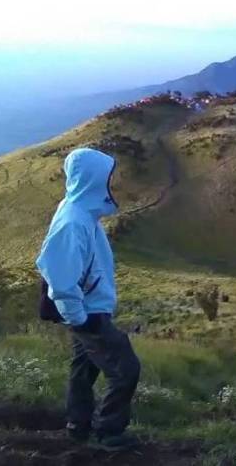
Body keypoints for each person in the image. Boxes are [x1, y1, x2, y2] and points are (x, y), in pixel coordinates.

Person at [36, 148, 141, 451]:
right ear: (92, 180)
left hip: (88, 309)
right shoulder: (74, 222)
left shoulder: (80, 211)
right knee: (125, 369)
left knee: (83, 369)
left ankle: (78, 425)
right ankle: (109, 433)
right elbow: (61, 278)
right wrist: (81, 318)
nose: (112, 182)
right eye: (108, 177)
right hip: (88, 313)